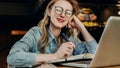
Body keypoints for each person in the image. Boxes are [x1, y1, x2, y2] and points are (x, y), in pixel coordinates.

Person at [7, 0, 98, 67]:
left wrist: (81, 26)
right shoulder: (35, 33)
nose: (62, 15)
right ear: (49, 12)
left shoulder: (69, 37)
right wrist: (55, 56)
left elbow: (95, 56)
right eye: (58, 9)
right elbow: (12, 57)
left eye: (68, 13)